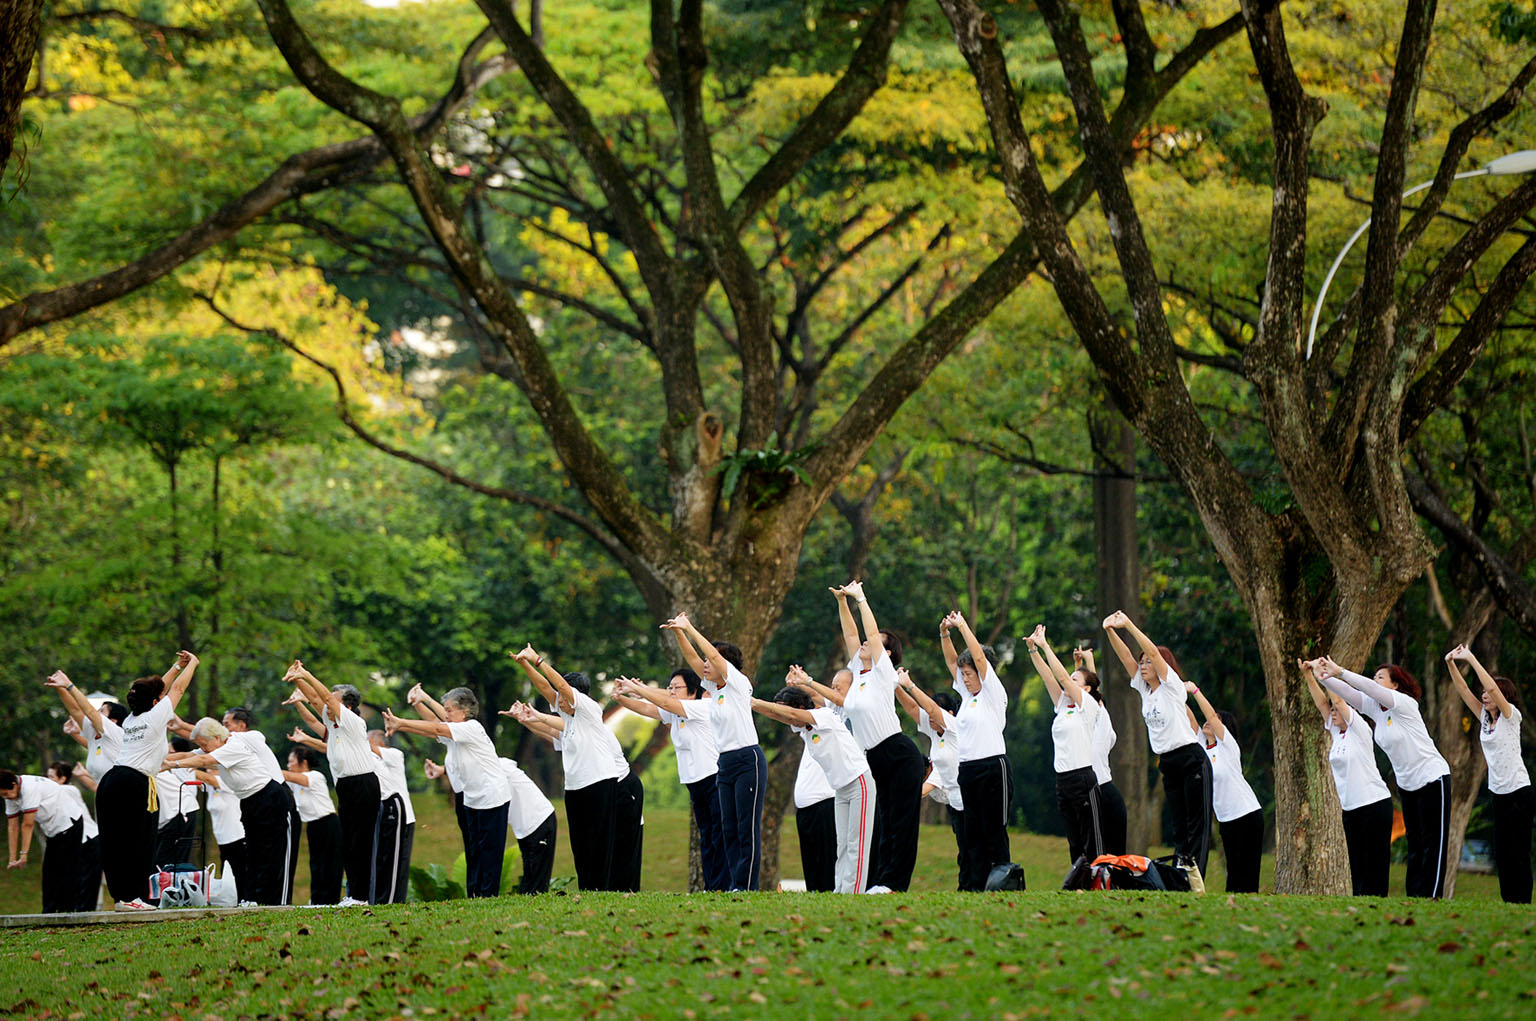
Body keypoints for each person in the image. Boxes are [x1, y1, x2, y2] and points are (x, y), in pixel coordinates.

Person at [1316, 654, 1451, 898]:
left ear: (1395, 685)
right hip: (1407, 784)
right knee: (1415, 843)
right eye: (1374, 676)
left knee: (1433, 843)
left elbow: (1364, 687)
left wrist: (1341, 670)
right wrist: (1322, 676)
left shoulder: (1405, 704)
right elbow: (1349, 694)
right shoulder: (1378, 712)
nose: (1374, 680)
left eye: (1380, 677)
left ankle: (1431, 896)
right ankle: (1415, 897)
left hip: (1432, 777)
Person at [823, 581, 924, 893]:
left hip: (899, 752)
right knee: (882, 822)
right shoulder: (860, 672)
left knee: (901, 822)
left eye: (874, 642)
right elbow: (852, 635)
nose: (865, 644)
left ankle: (894, 883)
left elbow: (867, 632)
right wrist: (842, 601)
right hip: (874, 756)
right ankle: (879, 881)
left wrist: (861, 597)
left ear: (887, 652)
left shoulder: (884, 672)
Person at [509, 647, 631, 891]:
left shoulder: (588, 708)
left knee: (597, 840)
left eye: (562, 695)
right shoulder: (569, 720)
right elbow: (546, 689)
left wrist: (539, 660)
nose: (558, 700)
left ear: (575, 694)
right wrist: (524, 664)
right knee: (580, 841)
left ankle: (600, 889)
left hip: (599, 782)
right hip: (575, 787)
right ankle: (587, 889)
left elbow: (561, 688)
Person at [1102, 611, 1210, 884]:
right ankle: (1179, 878)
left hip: (1191, 758)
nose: (1144, 664)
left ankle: (1195, 881)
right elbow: (1127, 657)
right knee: (1178, 826)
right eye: (1143, 662)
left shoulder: (1171, 686)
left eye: (1149, 661)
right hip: (1169, 762)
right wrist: (1110, 631)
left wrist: (1128, 624)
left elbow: (1151, 651)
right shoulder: (1144, 689)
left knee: (1196, 826)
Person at [663, 613, 766, 892]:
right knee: (728, 829)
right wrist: (679, 633)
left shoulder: (739, 684)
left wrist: (691, 628)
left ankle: (747, 887)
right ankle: (733, 885)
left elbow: (711, 657)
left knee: (746, 828)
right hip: (725, 764)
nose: (705, 665)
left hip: (748, 760)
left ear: (726, 664)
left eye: (711, 660)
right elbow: (695, 660)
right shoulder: (713, 688)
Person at [94, 650, 197, 910]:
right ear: (154, 702)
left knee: (115, 842)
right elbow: (178, 690)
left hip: (112, 780)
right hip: (133, 783)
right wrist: (191, 664)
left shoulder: (131, 719)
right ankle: (132, 897)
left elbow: (156, 693)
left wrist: (175, 665)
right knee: (138, 840)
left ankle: (122, 897)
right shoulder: (155, 716)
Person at [752, 676, 876, 894]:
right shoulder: (804, 728)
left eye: (789, 713)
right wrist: (750, 704)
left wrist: (754, 702)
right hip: (841, 789)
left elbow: (789, 714)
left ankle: (853, 894)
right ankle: (839, 891)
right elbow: (779, 714)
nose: (788, 720)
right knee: (842, 845)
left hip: (859, 783)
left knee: (856, 844)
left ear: (800, 708)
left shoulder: (824, 716)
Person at [384, 686, 511, 898]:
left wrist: (402, 721)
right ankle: (476, 894)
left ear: (464, 711)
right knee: (474, 850)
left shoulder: (472, 728)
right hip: (472, 798)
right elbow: (432, 726)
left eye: (450, 710)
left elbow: (436, 727)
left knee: (490, 851)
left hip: (492, 796)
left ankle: (488, 895)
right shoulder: (455, 734)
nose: (446, 715)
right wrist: (402, 725)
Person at [613, 670, 729, 891]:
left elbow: (664, 702)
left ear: (693, 690)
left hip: (713, 778)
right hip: (695, 782)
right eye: (670, 688)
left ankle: (723, 885)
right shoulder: (674, 713)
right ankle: (712, 886)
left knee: (718, 834)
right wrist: (622, 699)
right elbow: (648, 709)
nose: (672, 692)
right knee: (706, 835)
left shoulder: (701, 707)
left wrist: (638, 688)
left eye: (677, 688)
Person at [166, 717, 295, 905]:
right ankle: (252, 899)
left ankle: (274, 902)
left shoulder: (232, 746)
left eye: (205, 744)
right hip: (249, 801)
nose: (204, 748)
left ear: (217, 737)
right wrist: (158, 761)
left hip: (270, 797)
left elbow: (202, 759)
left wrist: (171, 765)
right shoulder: (217, 747)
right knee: (252, 852)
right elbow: (186, 755)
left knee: (272, 853)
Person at [285, 661, 381, 905]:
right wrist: (296, 679)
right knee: (348, 842)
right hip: (347, 787)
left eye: (335, 702)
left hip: (363, 784)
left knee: (360, 842)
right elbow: (318, 701)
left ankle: (359, 897)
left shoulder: (352, 721)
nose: (327, 706)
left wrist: (306, 673)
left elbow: (325, 697)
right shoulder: (333, 724)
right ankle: (352, 895)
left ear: (346, 705)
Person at [1444, 644, 1532, 904]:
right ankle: (1509, 901)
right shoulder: (1484, 718)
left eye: (1489, 692)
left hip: (1519, 790)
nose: (1485, 695)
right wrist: (1451, 663)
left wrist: (1470, 657)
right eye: (1483, 692)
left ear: (1503, 696)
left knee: (1518, 851)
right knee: (1503, 852)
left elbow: (1493, 687)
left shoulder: (1510, 715)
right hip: (1498, 792)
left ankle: (1522, 902)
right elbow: (1462, 690)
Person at [1299, 658, 1391, 896]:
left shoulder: (1359, 728)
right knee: (1357, 865)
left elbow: (1336, 700)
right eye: (1331, 712)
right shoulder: (1336, 732)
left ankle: (1378, 908)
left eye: (1336, 710)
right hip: (1350, 808)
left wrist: (1325, 676)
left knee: (1375, 866)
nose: (1332, 711)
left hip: (1374, 803)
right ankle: (1362, 906)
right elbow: (1322, 703)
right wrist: (1309, 675)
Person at [941, 611, 1013, 891]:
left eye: (969, 674)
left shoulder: (993, 693)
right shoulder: (967, 698)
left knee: (994, 831)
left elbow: (980, 659)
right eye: (964, 675)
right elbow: (951, 661)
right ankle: (975, 885)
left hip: (993, 768)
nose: (965, 679)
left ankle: (1002, 883)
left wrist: (962, 626)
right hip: (968, 770)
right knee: (972, 833)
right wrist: (945, 634)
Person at [1024, 625, 1103, 867]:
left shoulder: (1088, 706)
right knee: (1074, 839)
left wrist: (1046, 645)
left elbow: (1060, 677)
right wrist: (1033, 650)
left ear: (1086, 688)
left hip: (1083, 779)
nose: (1069, 681)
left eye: (1075, 679)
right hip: (1063, 780)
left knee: (1092, 840)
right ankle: (1079, 881)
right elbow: (1049, 677)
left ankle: (1099, 880)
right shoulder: (1062, 706)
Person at [1185, 683, 1263, 893]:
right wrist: (1173, 688)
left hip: (1247, 814)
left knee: (1247, 871)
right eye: (1210, 719)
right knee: (1234, 870)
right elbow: (1191, 719)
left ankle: (1251, 907)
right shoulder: (1202, 747)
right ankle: (1233, 907)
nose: (1209, 722)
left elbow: (1209, 715)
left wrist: (1195, 691)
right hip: (1225, 819)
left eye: (1216, 720)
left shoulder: (1228, 747)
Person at [894, 669, 965, 885]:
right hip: (954, 802)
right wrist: (894, 684)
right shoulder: (935, 730)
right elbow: (913, 708)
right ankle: (969, 887)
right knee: (964, 848)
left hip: (969, 800)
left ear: (950, 714)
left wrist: (909, 684)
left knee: (972, 848)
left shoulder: (955, 727)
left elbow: (931, 709)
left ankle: (977, 887)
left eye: (934, 713)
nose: (930, 717)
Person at [2, 768, 96, 912]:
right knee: (50, 871)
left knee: (68, 867)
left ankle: (69, 910)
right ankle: (49, 911)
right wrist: (13, 858)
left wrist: (24, 854)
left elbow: (27, 825)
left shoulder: (29, 788)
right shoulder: (11, 794)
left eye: (6, 793)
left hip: (69, 822)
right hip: (52, 828)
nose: (6, 797)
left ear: (14, 784)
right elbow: (12, 827)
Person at [1074, 646, 1128, 856]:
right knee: (1093, 855)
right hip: (1090, 793)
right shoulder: (1084, 719)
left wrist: (1088, 663)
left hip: (1105, 794)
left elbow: (1091, 690)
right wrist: (1081, 664)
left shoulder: (1099, 713)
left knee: (1113, 858)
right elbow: (1084, 689)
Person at [280, 746, 343, 906]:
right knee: (316, 864)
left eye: (291, 761)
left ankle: (330, 900)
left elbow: (293, 777)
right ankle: (317, 900)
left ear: (304, 762)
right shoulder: (294, 783)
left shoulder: (315, 776)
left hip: (328, 823)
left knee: (330, 864)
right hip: (313, 826)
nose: (289, 765)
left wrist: (272, 770)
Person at [45, 671, 125, 782]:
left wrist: (69, 685)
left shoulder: (116, 732)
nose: (97, 713)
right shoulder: (95, 735)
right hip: (106, 795)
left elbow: (90, 712)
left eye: (102, 711)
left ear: (113, 721)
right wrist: (60, 687)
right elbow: (75, 710)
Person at [44, 763, 102, 910]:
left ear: (63, 779)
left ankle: (84, 912)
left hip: (89, 838)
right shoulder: (55, 791)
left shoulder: (68, 789)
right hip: (77, 840)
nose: (47, 780)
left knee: (88, 880)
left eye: (51, 777)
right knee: (77, 878)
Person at [497, 756, 558, 894]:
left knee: (537, 884)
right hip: (524, 828)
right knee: (529, 880)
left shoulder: (499, 769)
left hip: (539, 821)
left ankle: (538, 910)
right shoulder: (496, 766)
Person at [369, 729, 416, 905]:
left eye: (368, 741)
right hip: (386, 814)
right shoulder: (375, 761)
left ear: (379, 743)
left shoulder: (395, 754)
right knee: (383, 861)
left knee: (397, 864)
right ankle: (383, 901)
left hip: (403, 818)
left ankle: (395, 902)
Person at [792, 733, 837, 892]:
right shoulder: (808, 729)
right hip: (805, 809)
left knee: (827, 869)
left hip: (825, 803)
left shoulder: (830, 719)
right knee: (812, 871)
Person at [193, 769, 247, 899]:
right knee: (226, 874)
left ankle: (245, 899)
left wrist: (180, 765)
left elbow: (207, 778)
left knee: (239, 873)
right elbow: (198, 781)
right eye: (207, 769)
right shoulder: (211, 788)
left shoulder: (228, 782)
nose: (209, 772)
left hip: (237, 835)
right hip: (222, 839)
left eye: (213, 768)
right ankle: (233, 900)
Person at [152, 737, 201, 868]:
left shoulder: (177, 767)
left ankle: (175, 886)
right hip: (172, 813)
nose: (167, 756)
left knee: (167, 862)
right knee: (164, 861)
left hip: (181, 811)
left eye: (170, 752)